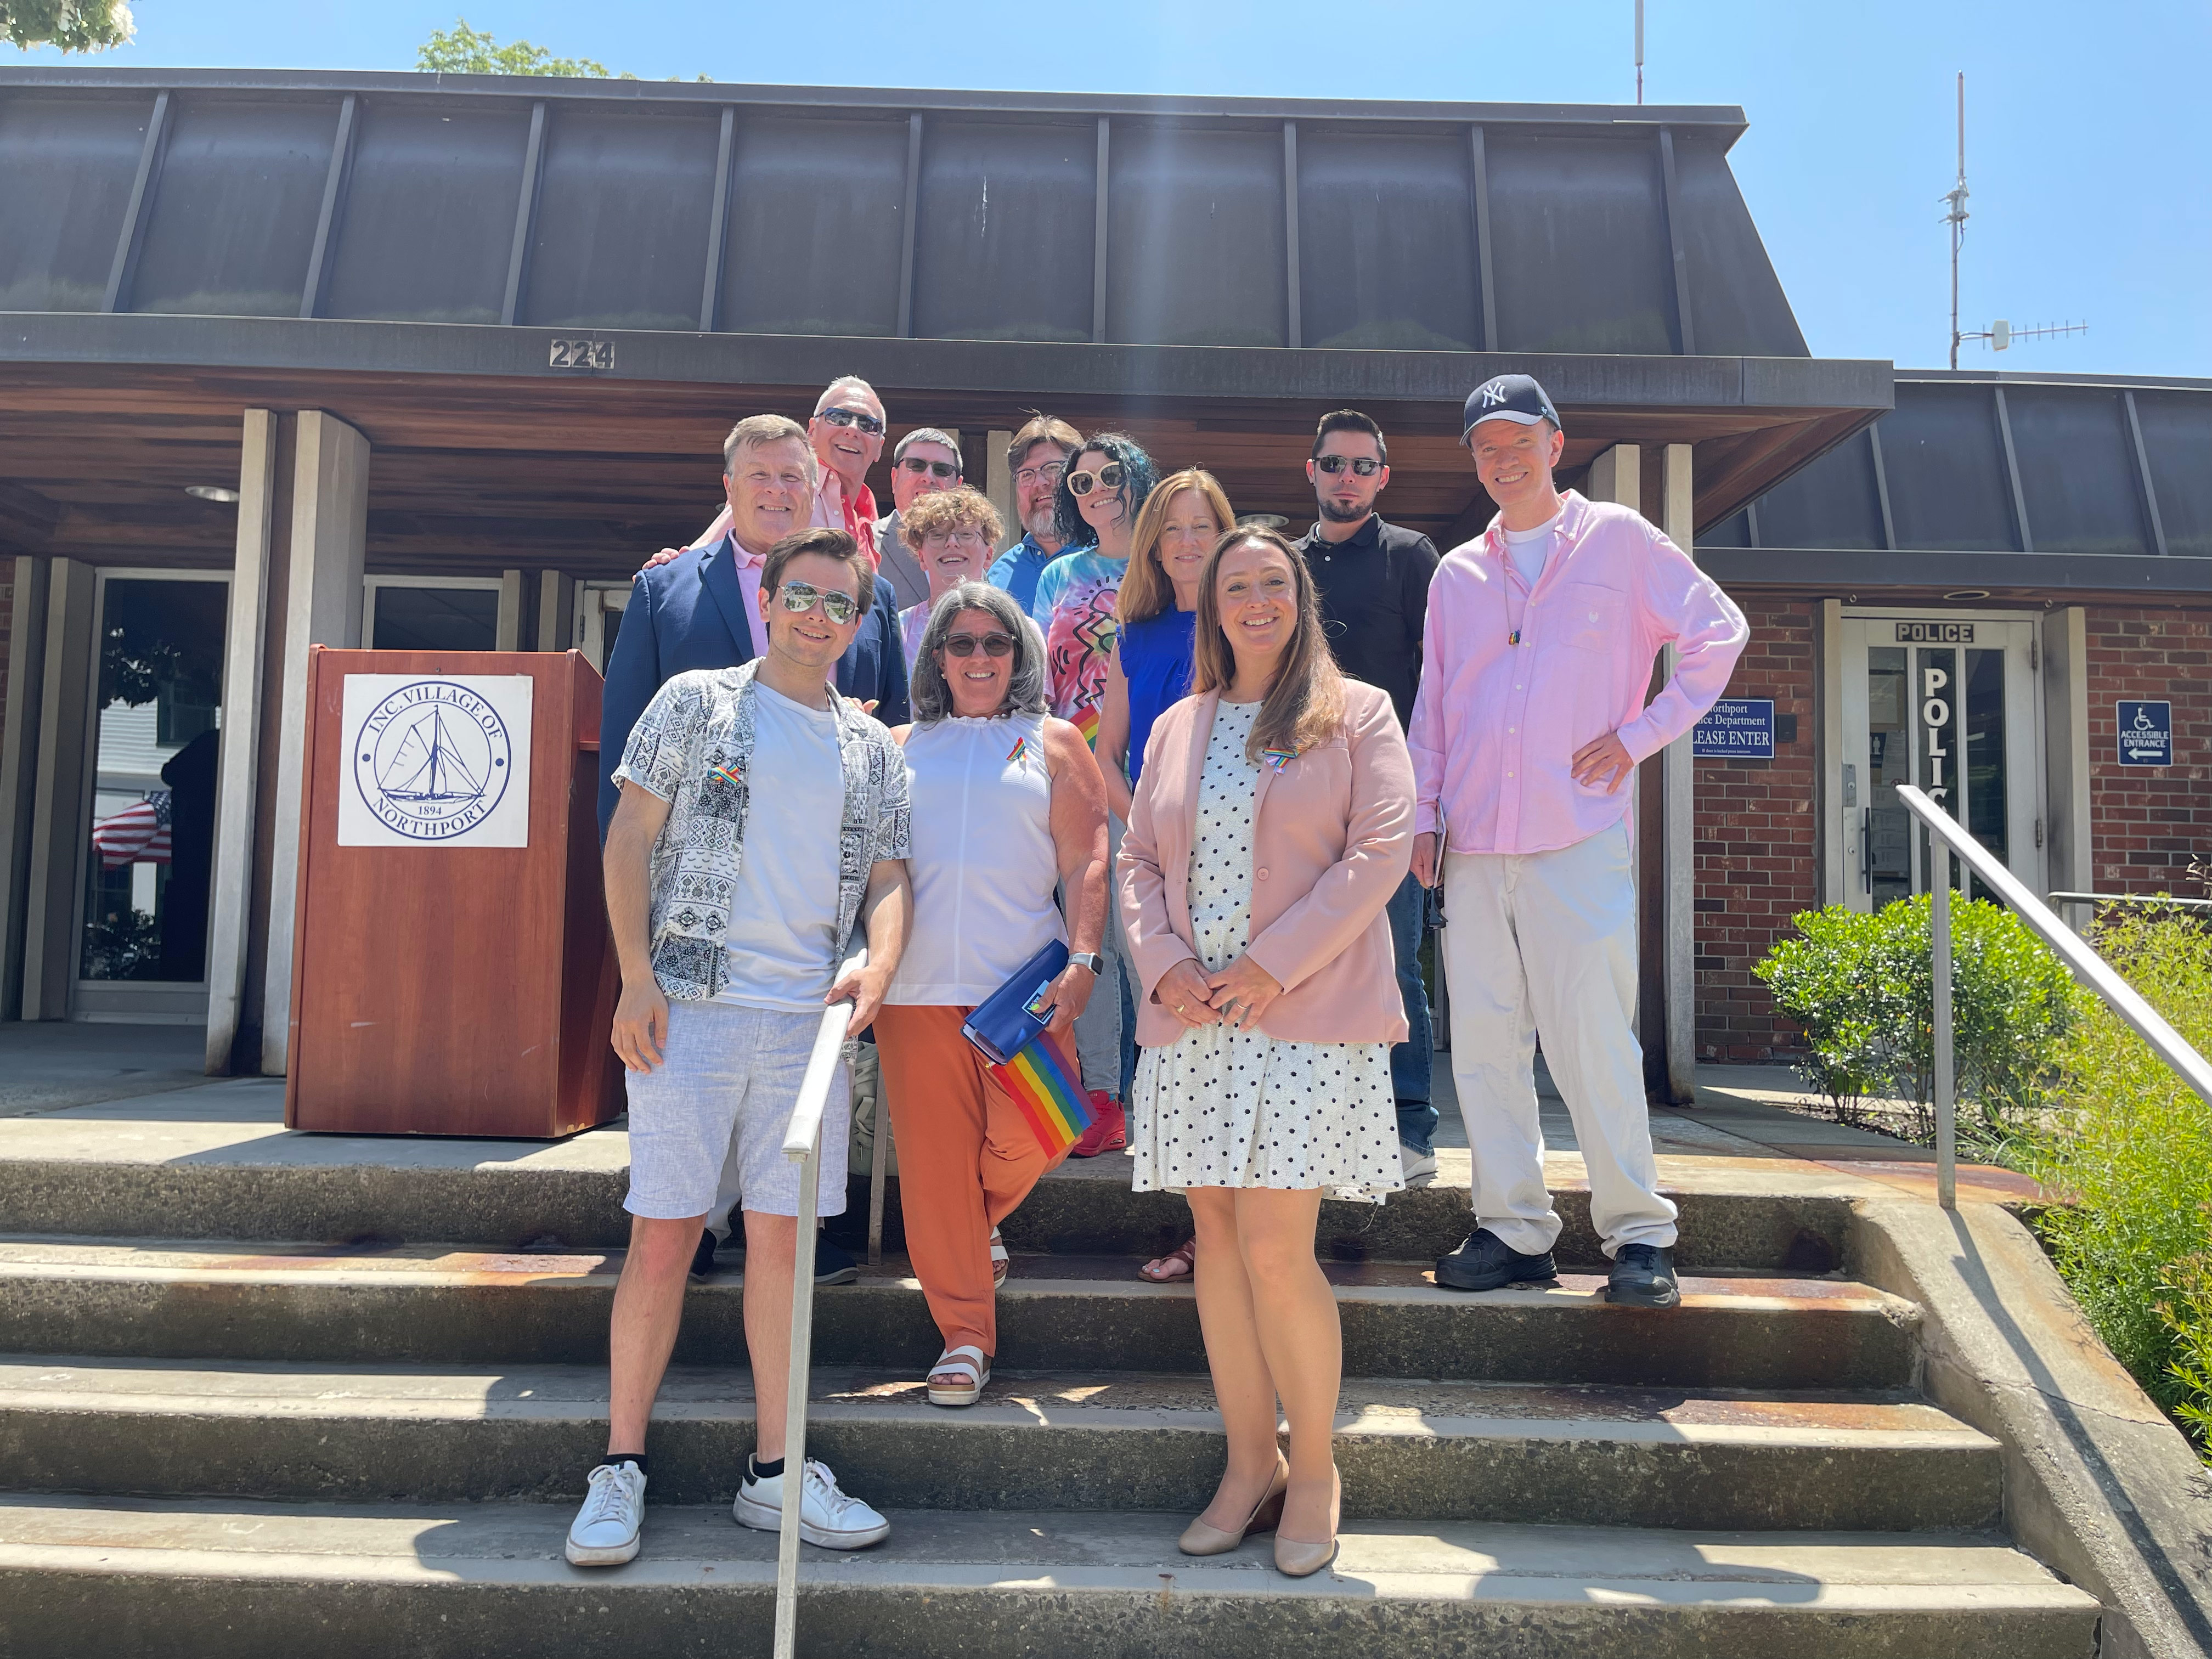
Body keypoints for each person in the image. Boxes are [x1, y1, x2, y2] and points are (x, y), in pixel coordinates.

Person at [568, 526, 912, 1568]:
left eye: (838, 603)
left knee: (781, 1248)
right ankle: (620, 1465)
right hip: (690, 1009)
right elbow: (628, 834)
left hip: (804, 1027)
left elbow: (891, 878)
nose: (817, 614)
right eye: (800, 594)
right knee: (664, 1236)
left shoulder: (867, 745)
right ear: (768, 598)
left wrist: (879, 965)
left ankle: (775, 1472)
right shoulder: (697, 702)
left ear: (858, 623)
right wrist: (635, 976)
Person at [1412, 374, 1747, 1311]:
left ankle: (1639, 1235)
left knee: (1593, 1038)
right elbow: (1433, 705)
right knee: (1483, 1043)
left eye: (1518, 439)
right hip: (1472, 843)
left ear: (1556, 442)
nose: (1501, 458)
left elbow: (1719, 632)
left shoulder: (1621, 541)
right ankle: (1513, 1228)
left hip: (1576, 835)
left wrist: (1638, 733)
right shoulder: (1455, 573)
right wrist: (1423, 816)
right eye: (1484, 445)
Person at [1120, 526, 1412, 1578]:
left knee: (1280, 1248)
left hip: (1301, 1017)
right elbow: (1137, 859)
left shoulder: (1358, 711)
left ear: (1300, 600)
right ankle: (1251, 1462)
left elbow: (1380, 851)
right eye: (1235, 584)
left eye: (1272, 584)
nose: (1254, 599)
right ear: (1210, 606)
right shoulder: (1178, 723)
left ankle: (1318, 1465)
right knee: (1218, 1238)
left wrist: (1269, 965)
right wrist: (1160, 963)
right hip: (1194, 1022)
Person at [600, 414, 907, 1289]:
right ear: (728, 487)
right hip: (683, 943)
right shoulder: (666, 590)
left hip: (807, 940)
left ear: (816, 488)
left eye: (792, 477)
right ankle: (693, 1226)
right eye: (759, 475)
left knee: (790, 1179)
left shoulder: (866, 593)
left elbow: (873, 724)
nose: (777, 489)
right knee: (672, 1175)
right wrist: (633, 948)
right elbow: (626, 784)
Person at [878, 582, 1109, 1406]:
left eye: (996, 643)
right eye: (962, 643)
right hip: (915, 990)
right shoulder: (899, 743)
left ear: (1020, 655)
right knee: (938, 1169)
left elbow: (1087, 859)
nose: (980, 658)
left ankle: (967, 1237)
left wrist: (1085, 957)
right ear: (936, 657)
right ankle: (966, 1335)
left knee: (1043, 1132)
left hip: (1027, 988)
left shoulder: (1050, 740)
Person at [1092, 467, 1237, 1285]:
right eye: (1172, 528)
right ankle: (1198, 1223)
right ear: (1153, 543)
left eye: (1202, 525)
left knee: (1228, 1034)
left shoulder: (1247, 622)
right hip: (1155, 860)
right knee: (1170, 1037)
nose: (1187, 542)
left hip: (1237, 859)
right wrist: (1144, 823)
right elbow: (1108, 754)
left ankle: (1219, 1232)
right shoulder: (1136, 634)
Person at [1293, 411, 1443, 1187]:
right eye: (1334, 464)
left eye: (1361, 466)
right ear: (1310, 471)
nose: (1346, 477)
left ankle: (1410, 1124)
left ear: (1383, 477)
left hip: (1390, 800)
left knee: (1395, 967)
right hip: (1298, 804)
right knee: (1310, 964)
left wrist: (1431, 805)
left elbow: (1445, 681)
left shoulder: (1412, 558)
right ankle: (1323, 1127)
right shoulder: (1287, 563)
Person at [1029, 432, 1159, 1136]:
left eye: (1110, 475)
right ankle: (1103, 1097)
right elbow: (1046, 685)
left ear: (1137, 477)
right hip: (1080, 775)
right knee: (1095, 938)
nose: (1098, 489)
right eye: (1081, 484)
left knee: (1155, 940)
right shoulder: (1061, 574)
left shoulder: (1168, 561)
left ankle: (1166, 1091)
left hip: (1154, 774)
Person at [895, 486, 1005, 664]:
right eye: (937, 535)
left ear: (988, 556)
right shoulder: (899, 632)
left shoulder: (1018, 628)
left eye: (966, 533)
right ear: (922, 558)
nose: (952, 543)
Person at [986, 415, 1082, 614]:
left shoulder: (1110, 560)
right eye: (1027, 475)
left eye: (1053, 468)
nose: (1040, 482)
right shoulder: (998, 576)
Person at [876, 426, 964, 613]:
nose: (928, 478)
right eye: (916, 465)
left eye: (942, 470)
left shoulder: (972, 548)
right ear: (894, 478)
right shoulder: (866, 542)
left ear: (958, 487)